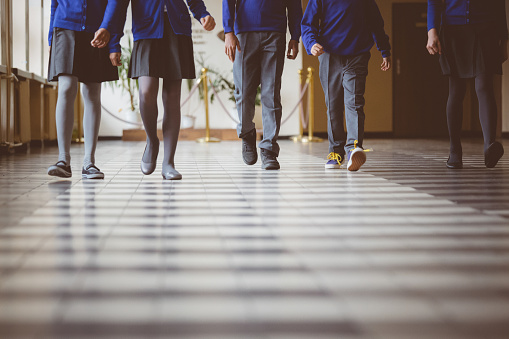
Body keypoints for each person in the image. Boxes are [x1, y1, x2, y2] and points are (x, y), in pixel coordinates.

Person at [115, 0, 216, 180]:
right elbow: (119, 5)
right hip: (146, 28)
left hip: (177, 27)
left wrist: (203, 14)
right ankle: (152, 140)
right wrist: (114, 41)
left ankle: (169, 162)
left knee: (172, 98)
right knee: (145, 92)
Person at [302, 0, 391, 172]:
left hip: (357, 54)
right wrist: (311, 43)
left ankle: (353, 149)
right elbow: (308, 23)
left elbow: (376, 22)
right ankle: (335, 153)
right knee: (333, 105)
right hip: (328, 54)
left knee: (355, 102)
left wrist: (384, 50)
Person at [427, 0, 508, 169]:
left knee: (484, 85)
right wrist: (431, 30)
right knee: (456, 89)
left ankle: (489, 146)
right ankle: (455, 151)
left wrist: (504, 39)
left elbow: (499, 3)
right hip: (453, 29)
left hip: (486, 28)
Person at [223, 0, 303, 170]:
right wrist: (228, 31)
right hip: (244, 33)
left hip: (275, 33)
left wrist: (295, 36)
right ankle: (247, 133)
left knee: (271, 93)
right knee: (243, 92)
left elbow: (295, 4)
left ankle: (269, 149)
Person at [47, 0, 122, 179]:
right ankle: (63, 160)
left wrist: (113, 40)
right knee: (66, 88)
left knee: (92, 93)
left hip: (99, 29)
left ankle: (89, 162)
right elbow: (54, 3)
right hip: (64, 27)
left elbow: (116, 3)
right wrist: (51, 37)